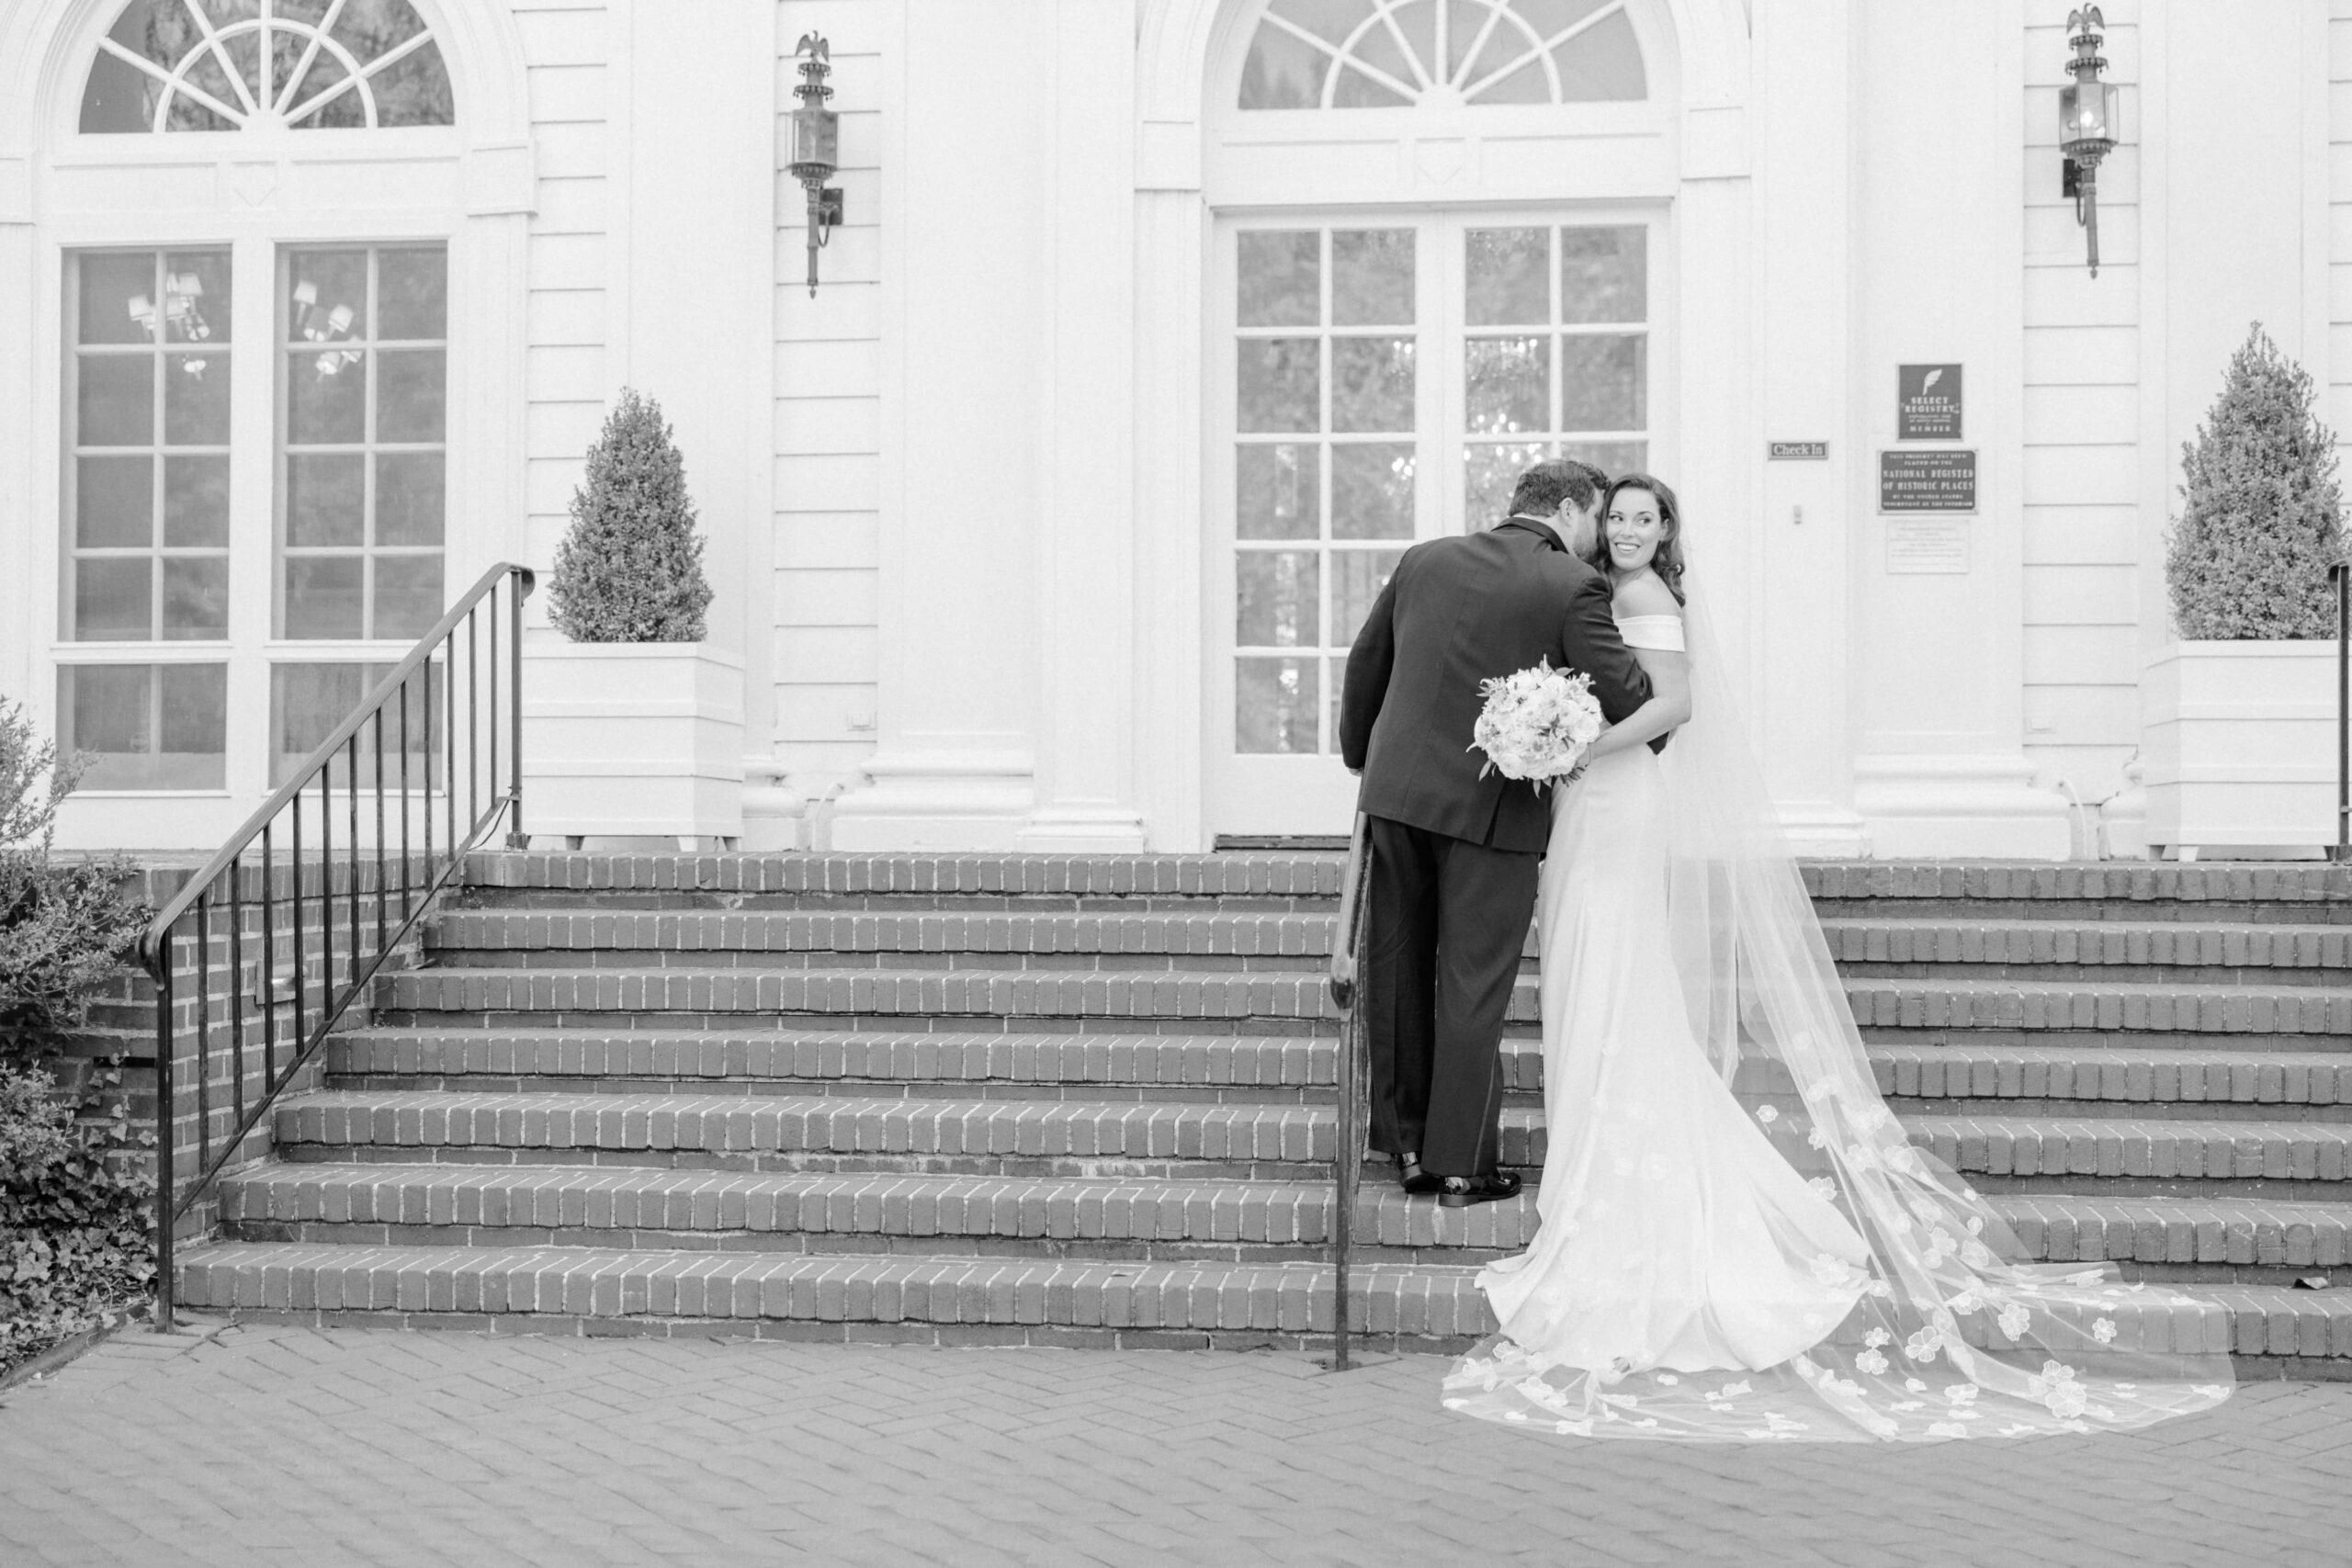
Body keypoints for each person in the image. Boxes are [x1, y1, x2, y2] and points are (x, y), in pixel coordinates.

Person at [1435, 474, 2235, 1440]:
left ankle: (1614, 1167)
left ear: (1667, 531)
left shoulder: (1644, 599)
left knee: (1609, 968)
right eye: (1619, 518)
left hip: (1614, 795)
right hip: (1588, 802)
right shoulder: (1593, 595)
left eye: (1646, 519)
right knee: (1592, 969)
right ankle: (1598, 1145)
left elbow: (1673, 705)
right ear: (1598, 525)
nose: (1630, 531)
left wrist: (1581, 742)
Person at [1334, 461, 1654, 1207]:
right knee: (1471, 983)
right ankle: (1460, 1165)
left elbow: (1366, 664)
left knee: (1399, 971)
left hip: (1399, 796)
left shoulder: (1426, 559)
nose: (1597, 538)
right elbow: (1627, 693)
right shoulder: (1572, 586)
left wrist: (1363, 757)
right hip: (1493, 810)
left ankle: (1408, 1147)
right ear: (1572, 509)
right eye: (1598, 518)